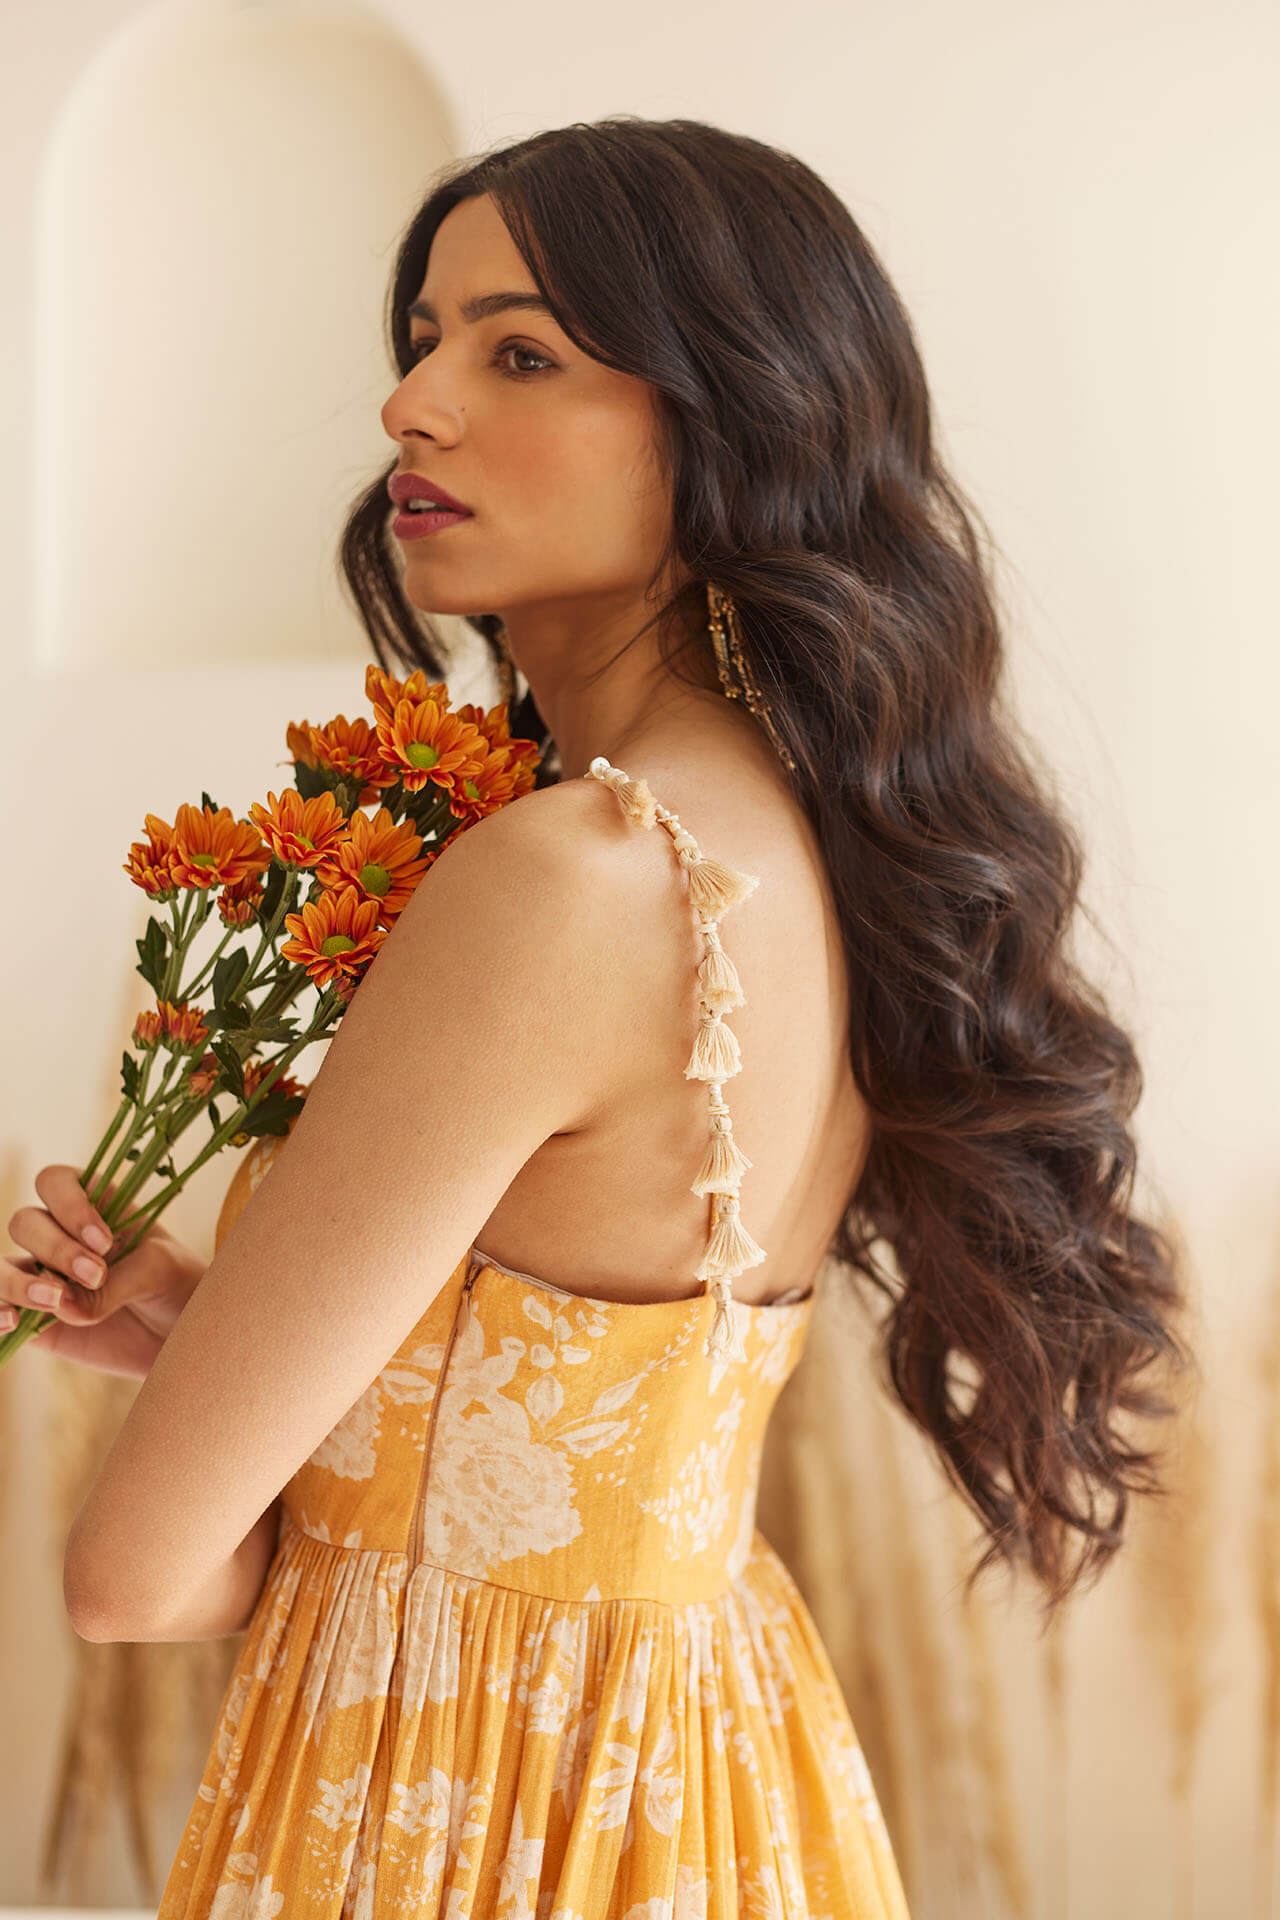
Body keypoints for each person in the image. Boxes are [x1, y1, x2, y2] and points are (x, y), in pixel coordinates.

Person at [4, 116, 1189, 1917]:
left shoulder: (562, 880)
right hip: (698, 1775)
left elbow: (136, 1580)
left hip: (453, 1796)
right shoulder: (814, 851)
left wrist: (208, 1472)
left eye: (521, 350)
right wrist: (214, 1339)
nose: (414, 404)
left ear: (730, 420)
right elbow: (566, 1438)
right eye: (422, 335)